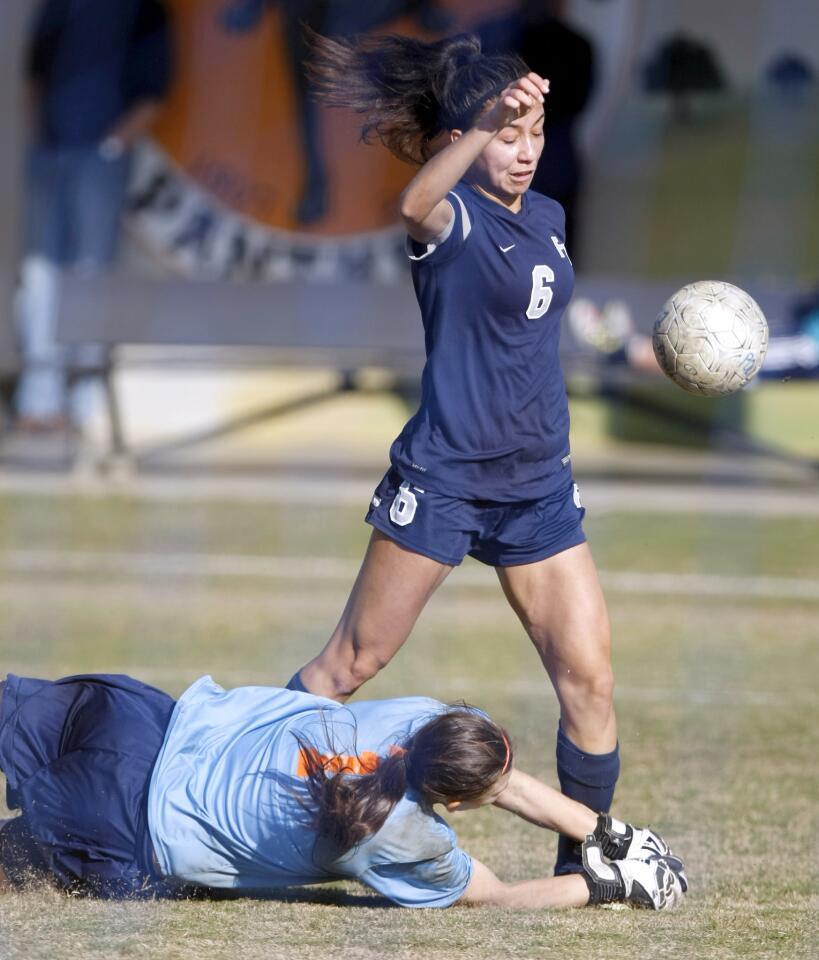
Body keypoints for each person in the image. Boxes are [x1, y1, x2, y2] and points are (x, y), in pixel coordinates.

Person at [285, 32, 620, 877]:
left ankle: (584, 864)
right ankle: (242, 780)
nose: (524, 150)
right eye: (508, 133)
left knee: (590, 682)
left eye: (534, 131)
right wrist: (483, 124)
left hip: (538, 486)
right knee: (349, 663)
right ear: (461, 137)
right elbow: (410, 204)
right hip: (445, 482)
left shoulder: (544, 216)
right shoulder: (450, 218)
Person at [0, 671, 687, 909]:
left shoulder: (416, 718)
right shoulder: (401, 838)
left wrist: (606, 832)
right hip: (125, 826)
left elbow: (494, 779)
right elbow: (501, 897)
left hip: (144, 719)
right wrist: (611, 881)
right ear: (452, 803)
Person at [14, 0, 172, 433]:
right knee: (40, 276)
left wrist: (114, 145)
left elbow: (155, 91)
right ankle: (39, 399)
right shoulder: (59, 7)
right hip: (52, 152)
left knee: (92, 275)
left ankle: (87, 404)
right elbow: (33, 71)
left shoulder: (145, 11)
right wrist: (38, 134)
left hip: (100, 157)